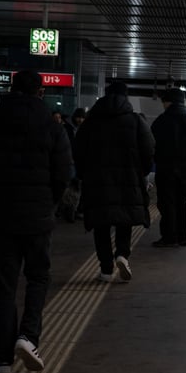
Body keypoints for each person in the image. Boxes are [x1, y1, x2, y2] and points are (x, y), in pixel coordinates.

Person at [0, 70, 72, 373]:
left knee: (5, 286)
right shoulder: (52, 127)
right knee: (38, 277)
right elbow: (63, 173)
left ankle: (2, 360)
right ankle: (28, 337)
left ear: (10, 88)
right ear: (40, 92)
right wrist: (49, 204)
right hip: (38, 217)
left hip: (2, 216)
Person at [74, 82, 154, 282]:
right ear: (125, 97)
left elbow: (78, 150)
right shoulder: (135, 120)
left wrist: (84, 174)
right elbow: (148, 148)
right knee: (124, 219)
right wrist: (141, 172)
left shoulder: (91, 121)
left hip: (97, 181)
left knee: (101, 224)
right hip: (128, 179)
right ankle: (122, 254)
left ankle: (106, 270)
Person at [150, 88, 186, 247]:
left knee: (166, 202)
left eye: (164, 102)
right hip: (183, 167)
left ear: (169, 102)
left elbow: (153, 139)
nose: (163, 105)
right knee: (181, 201)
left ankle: (169, 236)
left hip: (165, 166)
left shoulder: (161, 120)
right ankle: (182, 236)